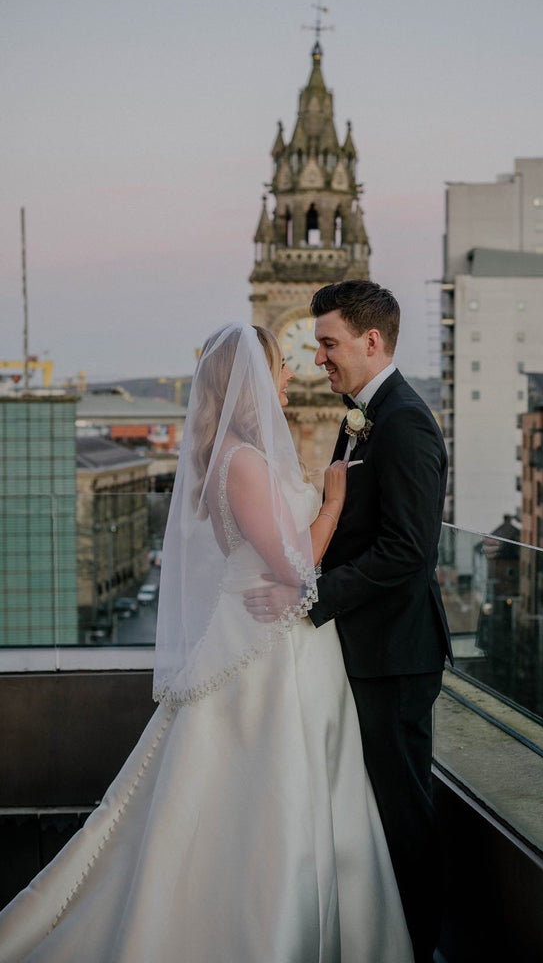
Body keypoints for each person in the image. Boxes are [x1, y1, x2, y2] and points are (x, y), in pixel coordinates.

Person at [0, 322, 414, 963]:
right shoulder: (242, 462)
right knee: (265, 792)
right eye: (278, 367)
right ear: (248, 381)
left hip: (281, 632)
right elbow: (295, 566)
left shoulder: (239, 457)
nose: (287, 377)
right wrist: (331, 501)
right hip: (264, 645)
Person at [245, 281, 453, 963]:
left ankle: (421, 949)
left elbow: (408, 553)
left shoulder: (406, 422)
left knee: (404, 813)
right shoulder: (361, 413)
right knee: (376, 813)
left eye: (329, 344)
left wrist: (312, 596)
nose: (321, 358)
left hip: (396, 656)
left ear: (372, 341)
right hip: (365, 649)